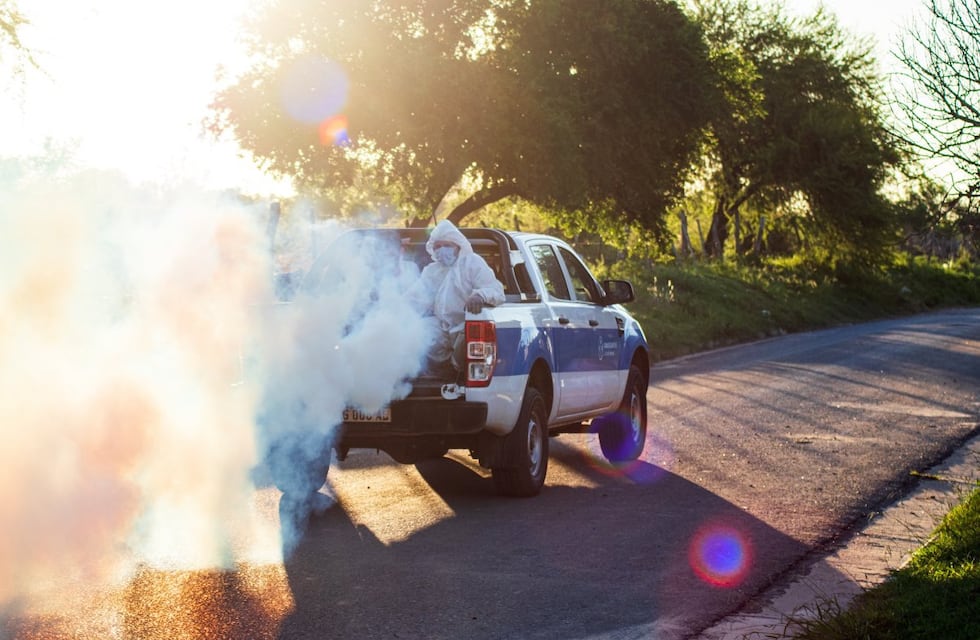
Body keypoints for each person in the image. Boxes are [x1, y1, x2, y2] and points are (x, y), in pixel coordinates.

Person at [410, 219, 505, 374]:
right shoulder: (431, 271)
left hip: (466, 324)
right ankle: (438, 374)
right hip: (441, 325)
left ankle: (459, 375)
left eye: (447, 245)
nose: (442, 250)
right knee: (417, 332)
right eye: (438, 246)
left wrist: (480, 296)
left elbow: (495, 289)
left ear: (458, 246)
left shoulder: (472, 263)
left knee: (467, 349)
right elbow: (415, 298)